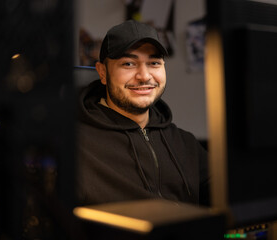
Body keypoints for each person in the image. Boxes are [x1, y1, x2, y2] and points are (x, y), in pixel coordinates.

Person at [76, 20, 210, 207]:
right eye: (129, 63)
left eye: (154, 63)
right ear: (103, 72)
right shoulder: (76, 146)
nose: (144, 76)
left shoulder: (185, 144)